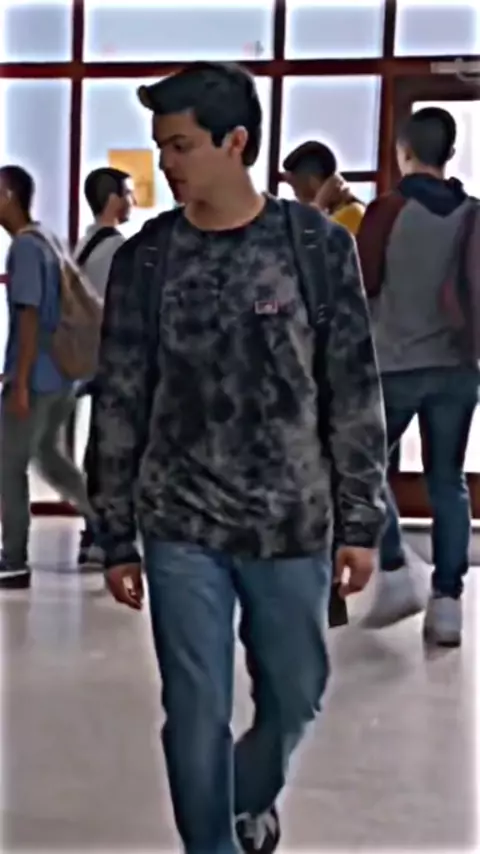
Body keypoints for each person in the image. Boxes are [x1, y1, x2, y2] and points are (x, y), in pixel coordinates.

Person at [92, 62, 387, 854]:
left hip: (291, 520)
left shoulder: (314, 248)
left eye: (181, 145)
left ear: (236, 142)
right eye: (162, 146)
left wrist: (361, 519)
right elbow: (120, 397)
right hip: (180, 522)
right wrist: (114, 533)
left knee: (296, 694)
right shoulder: (148, 259)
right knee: (194, 709)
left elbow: (352, 389)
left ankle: (247, 797)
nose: (167, 164)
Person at [356, 106, 479, 646]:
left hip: (393, 365)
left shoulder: (388, 211)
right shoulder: (474, 214)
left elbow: (360, 283)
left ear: (402, 152)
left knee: (364, 467)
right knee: (448, 481)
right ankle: (447, 604)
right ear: (449, 154)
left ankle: (394, 569)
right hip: (458, 368)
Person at [0, 165, 93, 590]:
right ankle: (112, 529)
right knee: (52, 460)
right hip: (60, 376)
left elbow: (29, 316)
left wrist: (18, 382)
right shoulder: (46, 239)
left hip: (35, 378)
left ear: (9, 195)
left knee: (8, 465)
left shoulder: (23, 247)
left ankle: (13, 560)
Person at [74, 167, 134, 569]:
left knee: (98, 447)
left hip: (87, 361)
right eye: (127, 193)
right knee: (112, 452)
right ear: (113, 199)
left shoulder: (84, 244)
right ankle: (103, 537)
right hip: (113, 363)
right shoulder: (117, 250)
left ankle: (92, 534)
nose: (132, 201)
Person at [281, 140, 365, 236]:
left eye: (295, 188)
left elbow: (308, 241)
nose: (295, 195)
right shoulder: (333, 214)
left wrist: (319, 203)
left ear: (313, 183)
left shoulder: (351, 212)